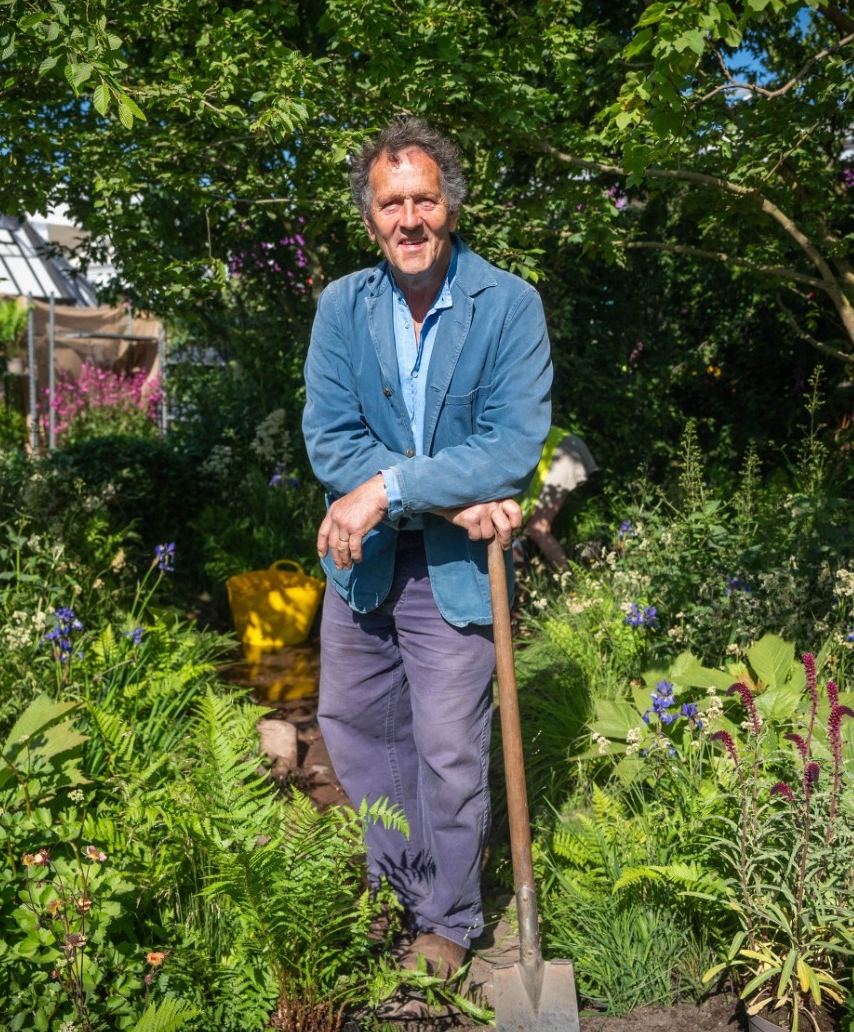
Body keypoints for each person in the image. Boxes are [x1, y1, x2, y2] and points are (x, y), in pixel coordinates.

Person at [302, 117, 552, 986]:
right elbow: (330, 441)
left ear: (451, 206)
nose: (409, 219)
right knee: (359, 731)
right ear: (369, 217)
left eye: (424, 200)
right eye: (391, 203)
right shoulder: (342, 308)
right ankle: (401, 892)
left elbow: (510, 446)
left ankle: (447, 920)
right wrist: (438, 490)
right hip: (363, 561)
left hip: (456, 567)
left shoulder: (508, 306)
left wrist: (386, 490)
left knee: (448, 748)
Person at [519, 426, 598, 572]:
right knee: (535, 527)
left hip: (562, 452)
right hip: (565, 446)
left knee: (538, 528)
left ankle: (568, 577)